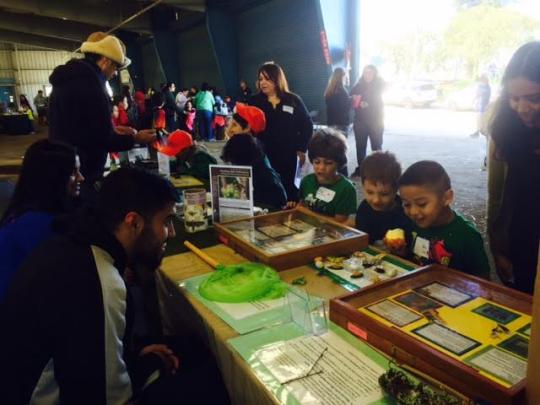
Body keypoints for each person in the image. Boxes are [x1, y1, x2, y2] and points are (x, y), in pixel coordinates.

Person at [0, 168, 229, 404]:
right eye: (166, 221)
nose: (170, 233)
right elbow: (110, 398)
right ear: (134, 223)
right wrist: (143, 367)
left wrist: (132, 359)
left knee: (188, 349)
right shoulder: (100, 280)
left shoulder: (73, 243)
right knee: (207, 384)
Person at [47, 31, 156, 200]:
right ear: (105, 61)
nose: (115, 74)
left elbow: (82, 127)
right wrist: (135, 139)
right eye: (115, 67)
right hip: (83, 171)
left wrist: (111, 129)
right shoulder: (93, 86)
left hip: (63, 164)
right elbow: (101, 140)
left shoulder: (67, 80)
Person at [0, 139, 83, 300]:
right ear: (54, 178)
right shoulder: (41, 227)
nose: (81, 178)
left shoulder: (24, 212)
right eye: (74, 172)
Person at [488, 41, 540, 294]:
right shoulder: (505, 129)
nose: (522, 108)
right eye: (514, 98)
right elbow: (497, 196)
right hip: (521, 236)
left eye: (534, 99)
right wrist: (498, 246)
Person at [398, 160, 490, 278]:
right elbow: (414, 260)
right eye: (406, 204)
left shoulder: (468, 236)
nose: (413, 212)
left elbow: (483, 281)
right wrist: (401, 253)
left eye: (421, 204)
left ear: (447, 197)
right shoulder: (413, 224)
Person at [250, 62, 313, 201]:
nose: (263, 83)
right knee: (267, 190)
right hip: (263, 155)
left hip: (289, 156)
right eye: (260, 79)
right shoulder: (254, 102)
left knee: (290, 192)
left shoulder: (293, 100)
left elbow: (307, 125)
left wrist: (302, 149)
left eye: (267, 79)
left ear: (277, 79)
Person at [222, 103, 287, 209]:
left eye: (234, 125)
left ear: (247, 127)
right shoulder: (246, 146)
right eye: (230, 124)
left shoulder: (245, 150)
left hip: (264, 206)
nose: (229, 130)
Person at [292, 128, 356, 224]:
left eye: (328, 163)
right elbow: (301, 206)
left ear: (339, 163)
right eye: (316, 162)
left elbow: (340, 223)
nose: (321, 168)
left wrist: (309, 213)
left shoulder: (346, 189)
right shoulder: (306, 181)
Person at [355, 151, 411, 244]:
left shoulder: (405, 212)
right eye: (370, 192)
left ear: (396, 189)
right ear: (363, 186)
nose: (376, 200)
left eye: (384, 194)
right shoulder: (364, 209)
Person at [350, 65, 385, 176]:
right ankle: (362, 169)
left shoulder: (379, 85)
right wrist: (358, 103)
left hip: (376, 121)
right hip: (360, 121)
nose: (367, 75)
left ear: (375, 74)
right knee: (360, 146)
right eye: (365, 72)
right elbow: (351, 99)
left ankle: (378, 170)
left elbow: (378, 102)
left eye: (370, 72)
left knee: (376, 146)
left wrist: (368, 104)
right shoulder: (358, 85)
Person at [325, 67, 351, 136]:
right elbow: (344, 108)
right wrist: (351, 100)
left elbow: (333, 105)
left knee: (332, 145)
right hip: (341, 124)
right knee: (341, 146)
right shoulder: (342, 90)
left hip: (331, 123)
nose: (346, 78)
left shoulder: (329, 90)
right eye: (345, 76)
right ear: (342, 76)